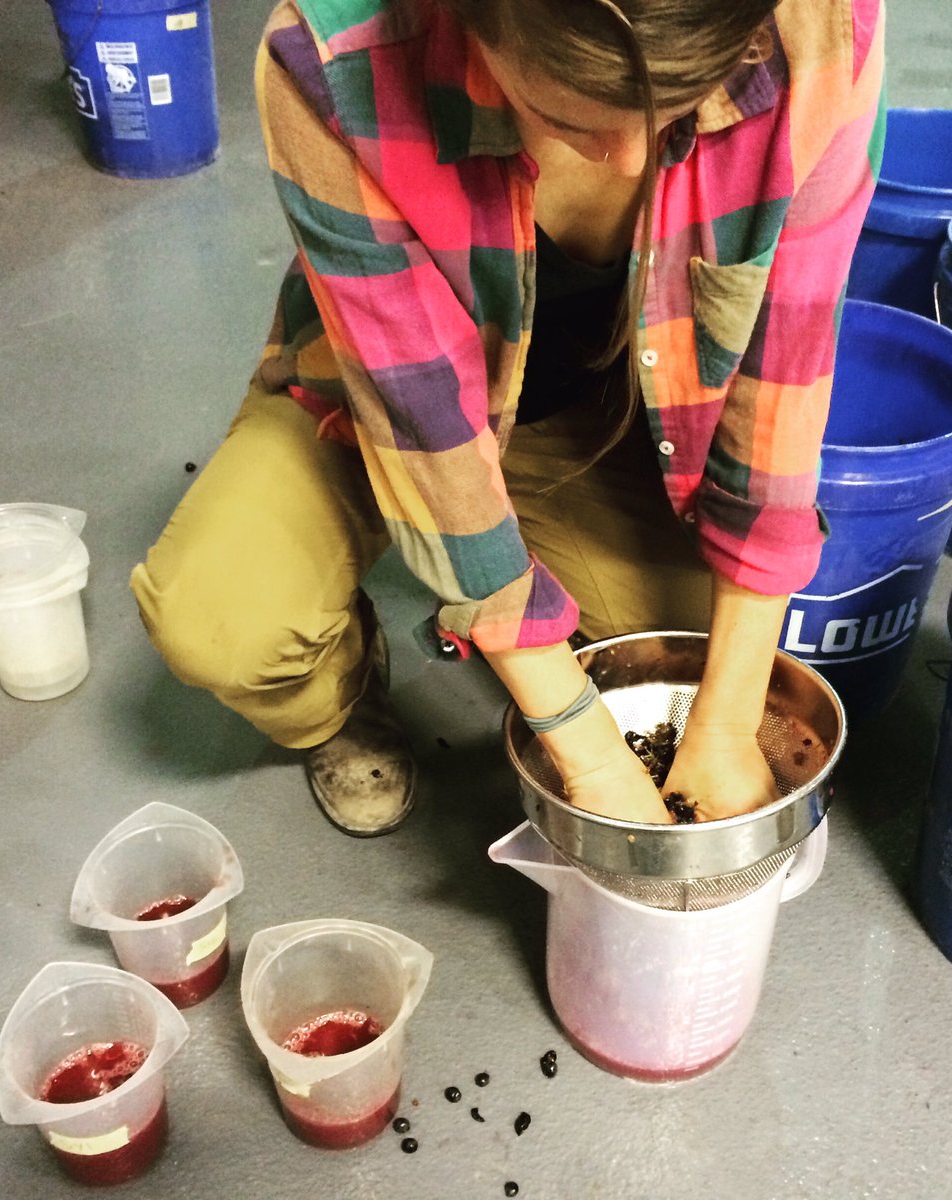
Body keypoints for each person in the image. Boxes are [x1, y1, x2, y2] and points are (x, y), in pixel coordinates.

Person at [131, 0, 885, 836]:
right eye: (568, 115)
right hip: (381, 407)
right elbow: (420, 428)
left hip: (603, 416)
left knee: (688, 654)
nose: (632, 157)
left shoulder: (821, 30)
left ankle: (528, 567)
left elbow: (781, 377)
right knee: (223, 623)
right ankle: (343, 695)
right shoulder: (334, 58)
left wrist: (728, 720)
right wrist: (587, 752)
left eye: (681, 110)